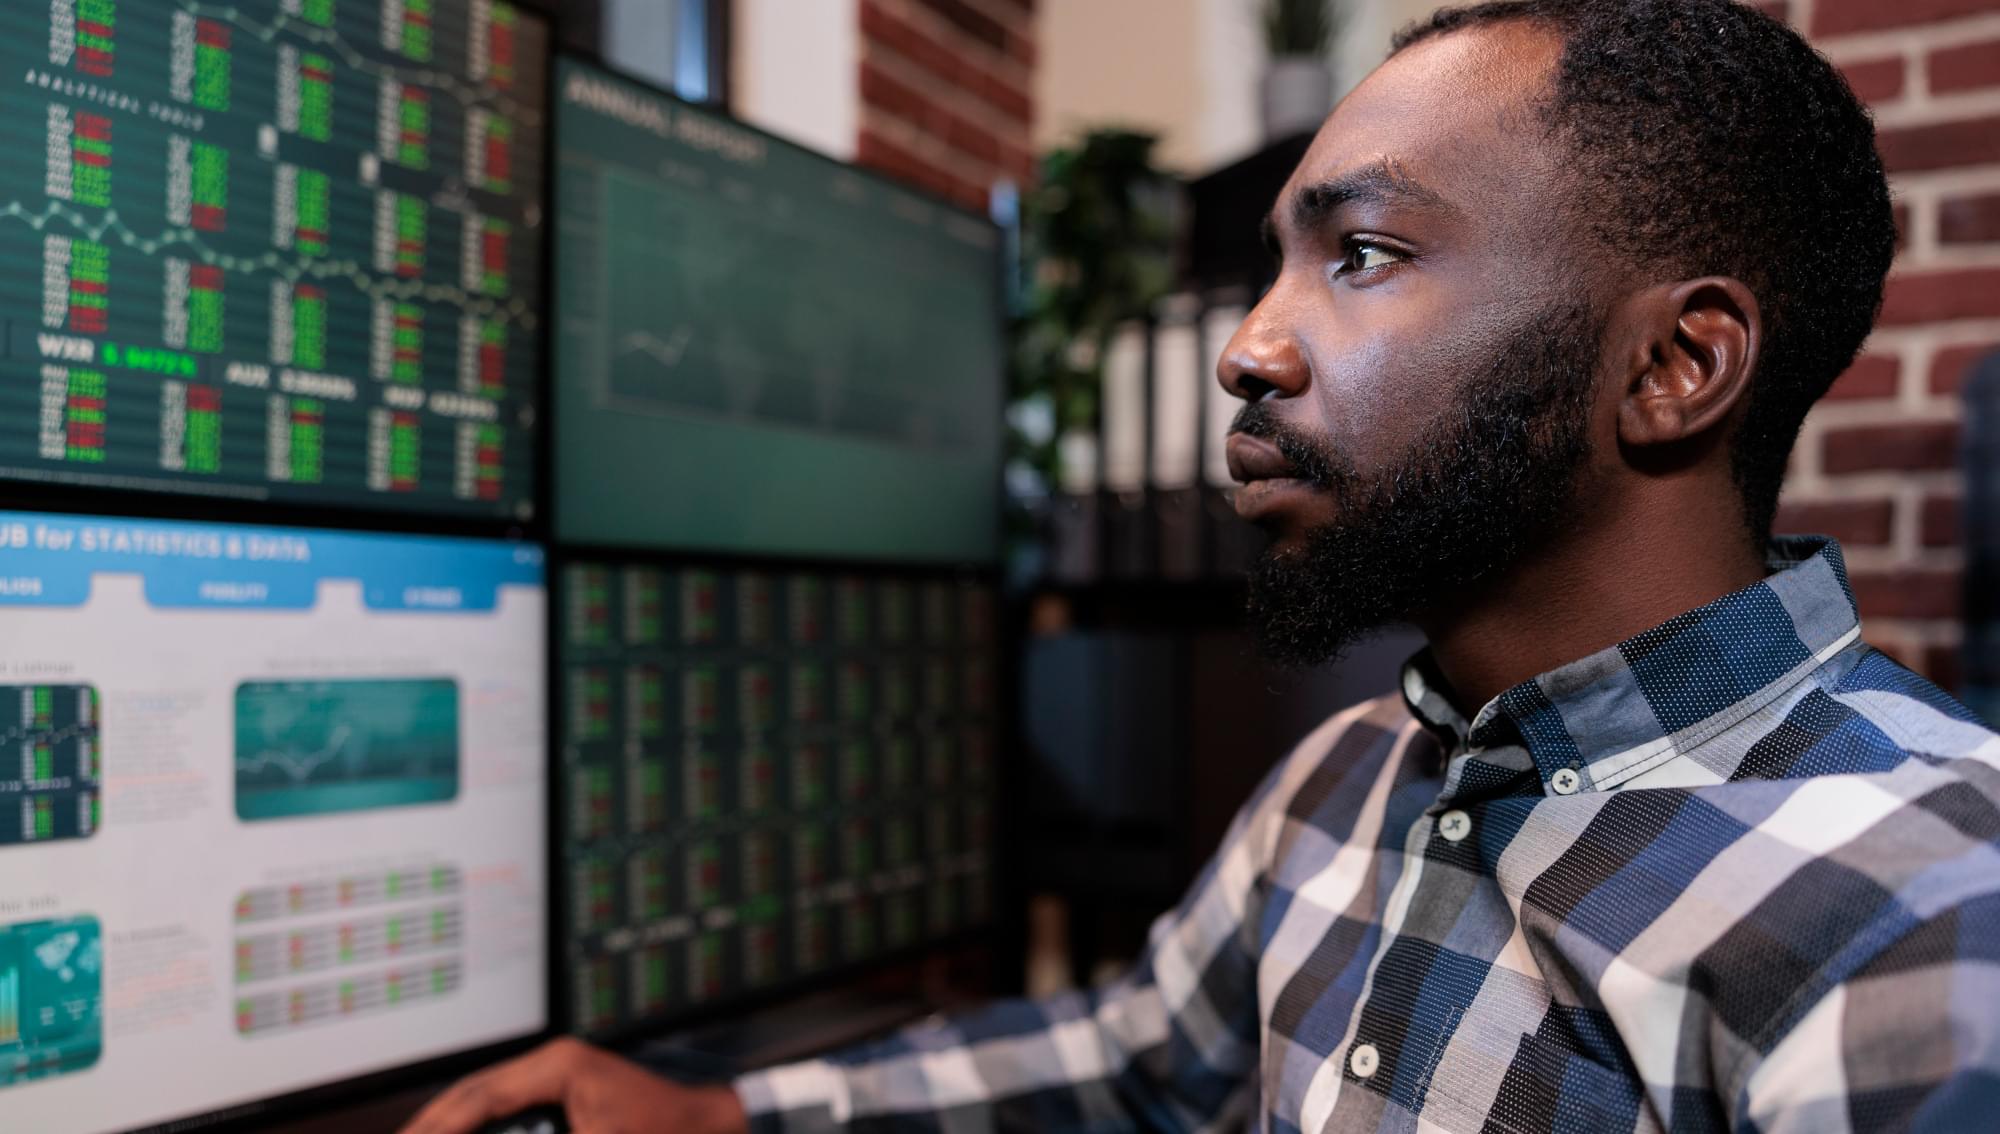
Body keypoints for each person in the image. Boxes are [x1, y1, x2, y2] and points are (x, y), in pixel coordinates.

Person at [406, 1, 2000, 1130]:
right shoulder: (1353, 775)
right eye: (1275, 267)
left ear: (1673, 369)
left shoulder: (1924, 918)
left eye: (1363, 255)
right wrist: (716, 1118)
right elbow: (1131, 1061)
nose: (1249, 345)